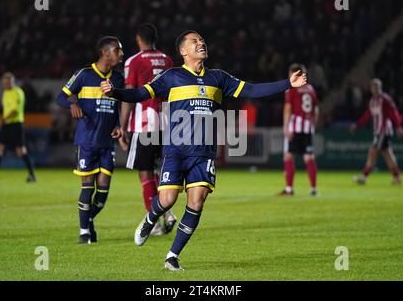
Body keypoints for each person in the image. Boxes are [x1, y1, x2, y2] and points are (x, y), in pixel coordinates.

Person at [101, 30, 307, 271]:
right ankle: (150, 219)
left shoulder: (218, 78)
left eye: (202, 40)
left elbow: (251, 90)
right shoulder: (172, 76)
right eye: (194, 41)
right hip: (176, 151)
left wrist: (288, 84)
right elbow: (139, 93)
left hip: (204, 153)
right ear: (183, 51)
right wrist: (115, 92)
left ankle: (172, 256)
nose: (201, 43)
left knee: (196, 202)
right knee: (167, 199)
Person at [56, 36, 123, 244]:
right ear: (105, 53)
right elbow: (61, 97)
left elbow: (118, 104)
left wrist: (118, 125)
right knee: (88, 187)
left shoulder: (118, 78)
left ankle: (88, 220)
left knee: (102, 196)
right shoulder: (84, 75)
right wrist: (72, 104)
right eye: (117, 50)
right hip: (86, 141)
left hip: (106, 143)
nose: (121, 54)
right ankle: (84, 232)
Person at [120, 24, 176, 236]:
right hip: (166, 123)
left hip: (144, 124)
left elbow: (129, 95)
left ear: (138, 39)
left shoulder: (133, 62)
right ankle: (167, 213)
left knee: (145, 172)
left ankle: (152, 222)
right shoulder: (167, 60)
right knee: (158, 172)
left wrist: (122, 127)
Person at [0, 72, 36, 183]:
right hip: (6, 125)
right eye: (4, 83)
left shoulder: (18, 92)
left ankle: (32, 175)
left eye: (7, 82)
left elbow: (15, 111)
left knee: (20, 151)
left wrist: (1, 121)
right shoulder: (5, 93)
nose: (5, 85)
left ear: (12, 81)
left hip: (16, 125)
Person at [350, 78, 403, 185]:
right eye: (373, 87)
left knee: (372, 151)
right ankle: (397, 177)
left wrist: (398, 126)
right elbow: (367, 115)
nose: (375, 89)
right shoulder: (372, 101)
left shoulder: (385, 99)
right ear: (371, 89)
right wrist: (357, 125)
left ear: (380, 88)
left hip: (384, 131)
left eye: (377, 87)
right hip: (377, 132)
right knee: (388, 154)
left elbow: (394, 112)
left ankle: (363, 177)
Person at [278, 63, 319, 196]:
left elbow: (288, 109)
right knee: (309, 157)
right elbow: (316, 110)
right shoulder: (311, 89)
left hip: (295, 127)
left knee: (288, 156)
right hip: (307, 128)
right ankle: (313, 189)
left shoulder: (292, 89)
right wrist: (312, 124)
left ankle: (289, 189)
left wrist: (285, 127)